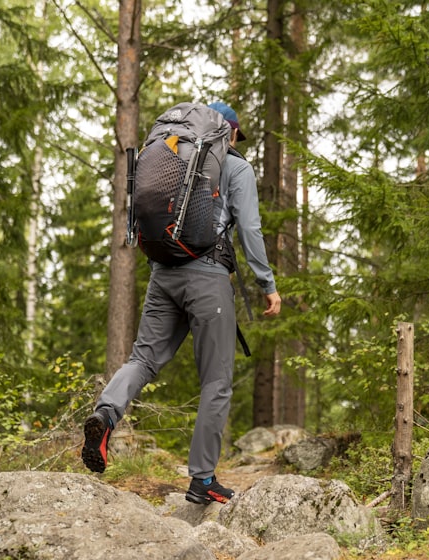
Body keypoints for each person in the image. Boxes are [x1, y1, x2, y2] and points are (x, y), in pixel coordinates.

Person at [82, 101, 282, 505]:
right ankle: (202, 478)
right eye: (236, 136)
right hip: (208, 279)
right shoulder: (237, 167)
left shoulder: (170, 153)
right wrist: (268, 284)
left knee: (143, 359)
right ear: (229, 132)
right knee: (216, 380)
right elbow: (250, 228)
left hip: (163, 272)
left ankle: (106, 413)